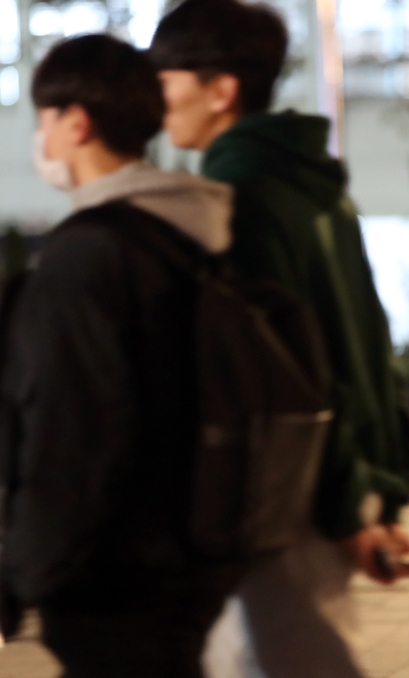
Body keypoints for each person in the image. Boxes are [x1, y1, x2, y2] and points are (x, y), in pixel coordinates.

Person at [148, 1, 409, 675]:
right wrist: (380, 491)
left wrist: (346, 508)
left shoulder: (233, 196)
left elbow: (284, 372)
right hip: (332, 489)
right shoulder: (320, 190)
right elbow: (368, 344)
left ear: (220, 89)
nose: (156, 98)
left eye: (165, 78)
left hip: (282, 495)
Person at [0, 34, 237, 677]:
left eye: (43, 120)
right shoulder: (203, 232)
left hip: (113, 572)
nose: (41, 138)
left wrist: (29, 569)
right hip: (192, 549)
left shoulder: (87, 255)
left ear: (75, 123)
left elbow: (71, 427)